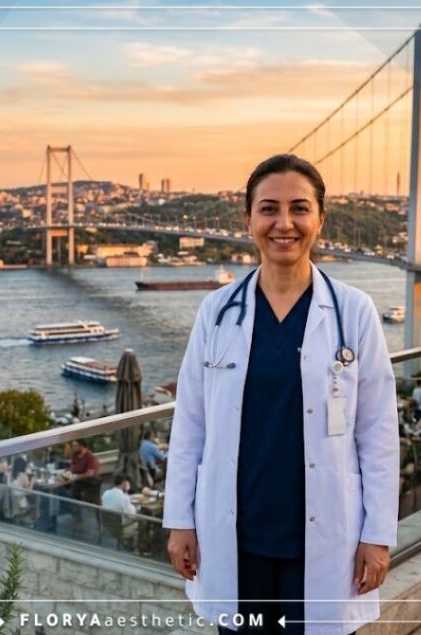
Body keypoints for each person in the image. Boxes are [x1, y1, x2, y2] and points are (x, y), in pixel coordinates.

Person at [163, 154, 399, 635]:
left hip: (324, 536)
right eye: (269, 208)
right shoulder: (217, 312)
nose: (284, 223)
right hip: (235, 534)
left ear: (320, 219)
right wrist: (180, 520)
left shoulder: (354, 312)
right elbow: (190, 423)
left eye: (299, 208)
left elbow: (377, 432)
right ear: (248, 220)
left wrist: (377, 535)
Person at [63, 439, 101, 504]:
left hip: (89, 483)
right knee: (63, 488)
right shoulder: (75, 454)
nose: (73, 448)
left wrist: (76, 477)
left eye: (75, 446)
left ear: (81, 446)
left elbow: (90, 473)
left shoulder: (90, 457)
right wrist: (67, 471)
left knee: (69, 494)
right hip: (77, 481)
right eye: (73, 446)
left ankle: (75, 506)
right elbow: (73, 466)